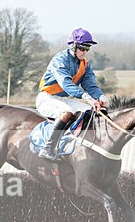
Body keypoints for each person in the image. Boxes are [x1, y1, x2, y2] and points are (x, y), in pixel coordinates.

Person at [35, 28, 110, 161]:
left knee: (90, 112)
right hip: (47, 98)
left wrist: (101, 97)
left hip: (64, 98)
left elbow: (90, 84)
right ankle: (47, 148)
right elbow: (66, 84)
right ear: (74, 46)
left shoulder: (84, 64)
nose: (85, 52)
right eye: (83, 48)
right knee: (67, 112)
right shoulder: (59, 60)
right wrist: (87, 98)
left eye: (88, 48)